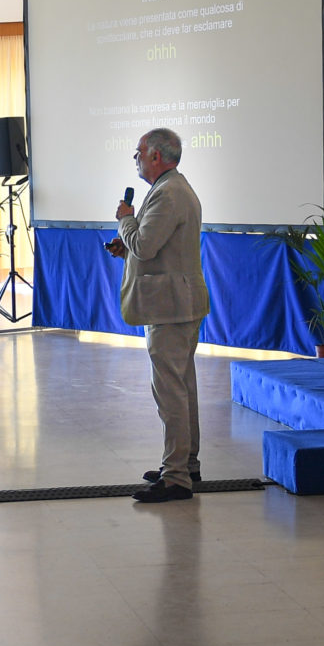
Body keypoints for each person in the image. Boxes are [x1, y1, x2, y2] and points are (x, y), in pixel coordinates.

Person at [113, 125, 208, 502]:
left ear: (155, 156)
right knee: (182, 388)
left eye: (138, 153)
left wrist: (125, 218)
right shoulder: (173, 188)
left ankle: (175, 478)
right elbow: (159, 247)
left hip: (171, 307)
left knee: (170, 392)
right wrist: (128, 247)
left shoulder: (168, 193)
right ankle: (186, 465)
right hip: (178, 302)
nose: (135, 159)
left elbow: (146, 245)